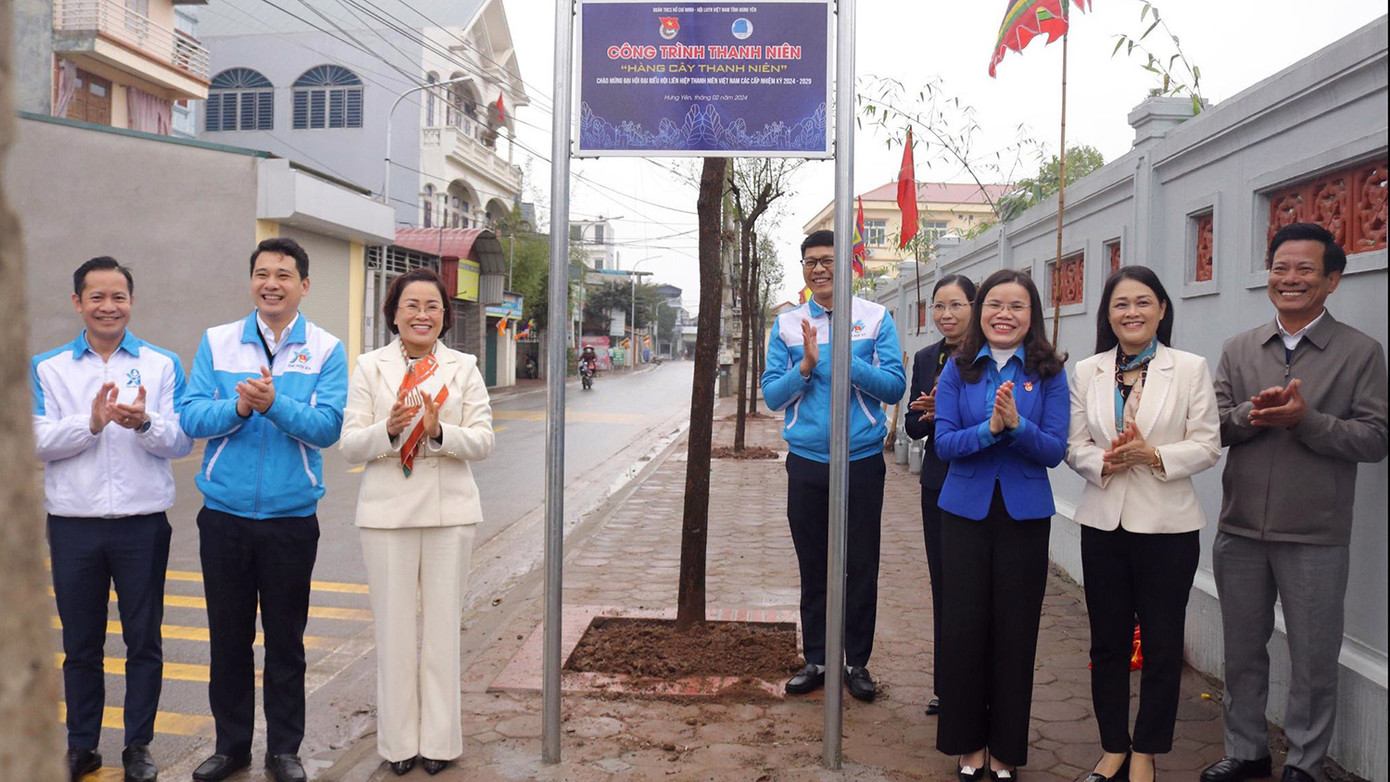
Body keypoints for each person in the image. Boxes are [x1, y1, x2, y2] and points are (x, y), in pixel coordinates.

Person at [1202, 223, 1387, 782]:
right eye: (1281, 268)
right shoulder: (1240, 348)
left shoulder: (1360, 352)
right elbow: (1213, 427)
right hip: (1240, 530)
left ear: (1332, 278)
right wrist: (1252, 415)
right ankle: (1247, 752)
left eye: (1305, 269)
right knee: (1241, 652)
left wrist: (1307, 422)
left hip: (1315, 532)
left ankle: (1306, 763)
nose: (1290, 279)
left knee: (1312, 658)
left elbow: (1376, 438)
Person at [180, 238, 348, 782]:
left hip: (291, 519)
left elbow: (327, 428)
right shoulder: (218, 341)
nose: (270, 283)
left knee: (285, 641)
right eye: (261, 273)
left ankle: (284, 751)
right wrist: (238, 406)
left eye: (283, 274)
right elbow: (192, 417)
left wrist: (276, 405)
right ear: (251, 280)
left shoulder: (326, 348)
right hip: (224, 515)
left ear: (304, 284)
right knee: (227, 637)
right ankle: (231, 747)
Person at [32, 257, 193, 782]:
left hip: (141, 524)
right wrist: (92, 423)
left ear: (132, 302)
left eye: (118, 296)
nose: (108, 306)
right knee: (81, 645)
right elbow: (32, 441)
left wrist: (144, 422)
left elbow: (181, 438)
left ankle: (138, 747)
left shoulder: (161, 363)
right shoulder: (48, 368)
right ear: (77, 302)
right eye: (96, 297)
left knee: (143, 640)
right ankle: (82, 745)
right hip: (74, 524)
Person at [1066, 267, 1221, 782]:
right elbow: (1073, 446)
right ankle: (1113, 747)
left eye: (1143, 302)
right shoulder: (1087, 371)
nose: (1131, 312)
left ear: (1161, 310)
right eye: (1120, 304)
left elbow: (1206, 445)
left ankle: (1147, 752)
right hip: (1103, 522)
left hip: (1169, 529)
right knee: (1106, 642)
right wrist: (1104, 462)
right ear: (1107, 315)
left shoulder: (1191, 368)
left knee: (1160, 643)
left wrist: (1153, 454)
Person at [340, 269, 495, 777]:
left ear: (445, 316)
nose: (422, 314)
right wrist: (387, 430)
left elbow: (483, 442)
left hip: (450, 513)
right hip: (386, 515)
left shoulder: (464, 367)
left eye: (432, 306)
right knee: (394, 632)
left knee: (444, 631)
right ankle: (399, 744)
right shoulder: (369, 367)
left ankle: (440, 743)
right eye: (412, 305)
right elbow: (348, 447)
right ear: (394, 313)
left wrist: (439, 430)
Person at [933, 268, 1068, 781]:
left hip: (1024, 518)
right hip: (964, 513)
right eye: (994, 304)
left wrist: (1017, 424)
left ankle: (1006, 749)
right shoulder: (959, 368)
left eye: (1016, 306)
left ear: (1031, 315)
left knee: (1016, 634)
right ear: (979, 311)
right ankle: (967, 744)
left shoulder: (1050, 373)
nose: (1003, 314)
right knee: (964, 630)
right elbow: (943, 443)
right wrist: (989, 429)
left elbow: (1054, 450)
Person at [762, 229, 906, 703]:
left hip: (862, 462)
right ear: (803, 269)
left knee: (860, 566)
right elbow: (771, 397)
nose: (820, 269)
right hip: (807, 463)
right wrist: (804, 367)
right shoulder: (786, 325)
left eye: (828, 260)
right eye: (811, 262)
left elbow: (893, 387)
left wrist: (844, 361)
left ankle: (857, 662)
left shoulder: (875, 317)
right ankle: (818, 659)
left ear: (847, 265)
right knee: (815, 565)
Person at [903, 274, 977, 718]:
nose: (945, 315)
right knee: (944, 585)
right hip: (938, 481)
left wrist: (949, 409)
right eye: (938, 307)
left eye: (955, 305)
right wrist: (930, 414)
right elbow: (912, 427)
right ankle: (944, 686)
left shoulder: (989, 357)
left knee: (976, 589)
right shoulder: (928, 357)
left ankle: (978, 686)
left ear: (974, 305)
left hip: (980, 478)